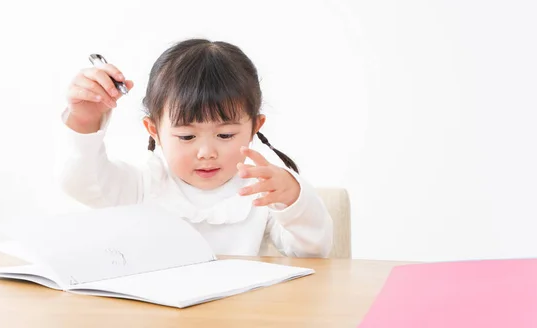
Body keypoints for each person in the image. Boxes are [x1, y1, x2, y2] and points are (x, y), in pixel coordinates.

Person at [57, 39, 333, 257]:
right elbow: (83, 184)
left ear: (255, 127)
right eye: (187, 137)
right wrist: (84, 120)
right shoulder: (144, 184)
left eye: (225, 135)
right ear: (154, 130)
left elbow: (311, 252)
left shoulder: (258, 191)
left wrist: (294, 198)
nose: (206, 152)